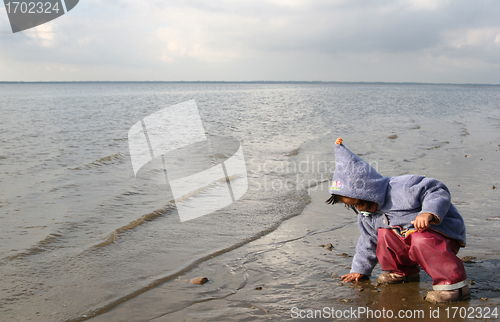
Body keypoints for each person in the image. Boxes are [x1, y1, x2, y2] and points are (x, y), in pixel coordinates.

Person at [326, 138, 469, 303]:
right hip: (407, 242)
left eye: (360, 202)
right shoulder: (367, 216)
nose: (360, 209)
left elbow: (436, 189)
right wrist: (360, 270)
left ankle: (454, 285)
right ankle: (403, 272)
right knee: (384, 235)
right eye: (354, 206)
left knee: (420, 239)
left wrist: (428, 213)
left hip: (440, 235)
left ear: (369, 190)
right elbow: (367, 242)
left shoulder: (402, 187)